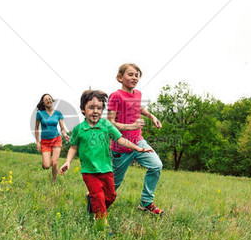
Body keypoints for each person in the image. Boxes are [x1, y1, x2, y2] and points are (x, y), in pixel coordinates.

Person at [59, 90, 151, 224]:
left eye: (99, 108)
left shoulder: (106, 125)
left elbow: (120, 139)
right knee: (98, 196)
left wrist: (137, 148)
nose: (95, 111)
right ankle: (101, 223)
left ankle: (93, 204)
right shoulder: (79, 129)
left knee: (111, 196)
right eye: (91, 107)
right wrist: (68, 162)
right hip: (89, 171)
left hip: (106, 168)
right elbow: (73, 147)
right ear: (83, 109)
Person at [107, 63, 164, 214]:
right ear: (120, 77)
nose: (134, 77)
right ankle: (94, 199)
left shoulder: (137, 94)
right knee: (112, 187)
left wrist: (152, 116)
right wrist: (131, 126)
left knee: (156, 165)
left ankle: (146, 202)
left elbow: (138, 107)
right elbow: (109, 123)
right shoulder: (115, 96)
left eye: (137, 75)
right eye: (130, 74)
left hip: (138, 141)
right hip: (121, 147)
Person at [34, 93, 70, 183]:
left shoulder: (58, 113)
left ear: (52, 100)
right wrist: (37, 142)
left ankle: (53, 181)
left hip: (56, 139)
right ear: (43, 103)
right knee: (46, 166)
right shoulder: (40, 114)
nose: (48, 100)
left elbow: (62, 127)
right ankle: (46, 162)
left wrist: (65, 134)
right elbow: (36, 128)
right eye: (46, 100)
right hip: (45, 141)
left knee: (54, 162)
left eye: (49, 99)